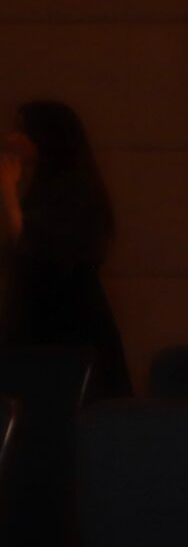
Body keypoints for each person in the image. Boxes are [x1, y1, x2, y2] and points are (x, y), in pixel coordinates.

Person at [0, 97, 132, 395]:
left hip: (67, 324)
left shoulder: (75, 192)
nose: (11, 139)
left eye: (22, 130)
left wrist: (7, 192)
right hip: (43, 318)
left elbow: (35, 248)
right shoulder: (42, 186)